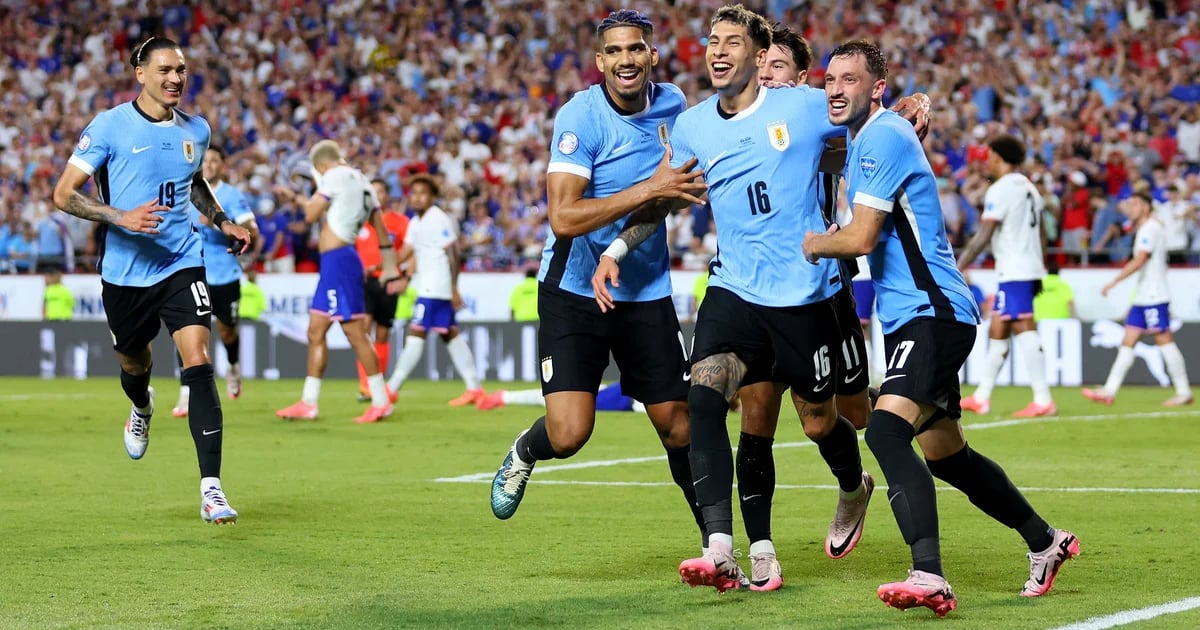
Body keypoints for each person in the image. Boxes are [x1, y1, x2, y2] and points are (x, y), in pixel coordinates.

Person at [593, 7, 876, 593]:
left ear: (755, 52)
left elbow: (869, 122)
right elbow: (667, 196)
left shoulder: (800, 106)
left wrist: (914, 104)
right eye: (712, 41)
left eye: (732, 42)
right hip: (733, 290)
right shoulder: (694, 125)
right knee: (704, 395)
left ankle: (854, 487)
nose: (719, 51)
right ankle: (720, 545)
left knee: (824, 422)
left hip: (802, 297)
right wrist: (617, 247)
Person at [801, 40, 1077, 616]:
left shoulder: (880, 137)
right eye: (829, 78)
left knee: (882, 433)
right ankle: (1045, 542)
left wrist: (811, 243)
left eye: (849, 79)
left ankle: (928, 573)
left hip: (934, 312)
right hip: (916, 317)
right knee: (949, 457)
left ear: (877, 87)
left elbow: (859, 240)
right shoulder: (866, 138)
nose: (834, 88)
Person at [486, 10, 713, 573]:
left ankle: (716, 546)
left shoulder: (675, 106)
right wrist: (650, 186)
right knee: (569, 434)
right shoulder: (580, 117)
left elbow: (669, 194)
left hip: (644, 288)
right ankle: (524, 451)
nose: (626, 60)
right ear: (600, 62)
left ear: (652, 55)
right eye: (614, 52)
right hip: (570, 290)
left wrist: (627, 238)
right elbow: (563, 217)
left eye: (635, 49)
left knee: (677, 423)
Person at [50, 36, 252, 524]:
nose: (175, 78)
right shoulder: (109, 127)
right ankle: (142, 407)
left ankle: (212, 489)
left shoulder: (196, 130)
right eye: (164, 70)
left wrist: (221, 219)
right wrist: (121, 217)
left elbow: (194, 180)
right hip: (125, 273)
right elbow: (63, 194)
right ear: (139, 72)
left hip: (182, 261)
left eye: (181, 70)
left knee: (197, 358)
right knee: (134, 365)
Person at [274, 139, 399, 424]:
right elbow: (380, 229)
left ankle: (380, 401)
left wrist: (300, 199)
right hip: (339, 261)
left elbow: (309, 215)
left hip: (339, 262)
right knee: (316, 330)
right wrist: (390, 266)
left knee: (355, 332)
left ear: (321, 165)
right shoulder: (363, 181)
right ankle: (308, 402)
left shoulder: (334, 176)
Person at [957, 134, 1056, 418]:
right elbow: (1042, 233)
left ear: (998, 157)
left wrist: (958, 265)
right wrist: (1041, 264)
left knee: (1023, 324)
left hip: (1016, 268)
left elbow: (984, 235)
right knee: (999, 329)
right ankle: (983, 396)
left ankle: (1043, 398)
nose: (987, 162)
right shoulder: (1029, 188)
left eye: (989, 156)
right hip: (1026, 266)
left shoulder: (1000, 189)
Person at [1083, 191, 1193, 407]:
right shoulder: (1146, 227)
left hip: (1154, 296)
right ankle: (1109, 390)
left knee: (1164, 341)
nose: (1130, 209)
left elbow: (1140, 259)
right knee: (1128, 342)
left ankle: (1183, 391)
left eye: (1134, 205)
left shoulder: (1150, 228)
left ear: (1144, 207)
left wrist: (1114, 281)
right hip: (1144, 297)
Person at [172, 147, 260, 417]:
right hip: (190, 272)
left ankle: (233, 367)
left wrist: (216, 223)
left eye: (214, 161)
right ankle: (186, 393)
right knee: (187, 333)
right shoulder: (183, 191)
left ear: (222, 165)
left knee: (227, 331)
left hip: (224, 275)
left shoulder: (232, 196)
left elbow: (252, 232)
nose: (208, 165)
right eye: (205, 160)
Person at [384, 175, 486, 406]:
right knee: (450, 334)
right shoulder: (415, 222)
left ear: (432, 197)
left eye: (423, 193)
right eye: (414, 193)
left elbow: (453, 254)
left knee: (415, 335)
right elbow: (406, 253)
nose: (417, 197)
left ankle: (391, 389)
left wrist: (453, 288)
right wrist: (384, 267)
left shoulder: (437, 219)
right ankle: (474, 389)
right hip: (429, 286)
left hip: (435, 287)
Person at [353, 177, 410, 401]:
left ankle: (379, 381)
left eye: (381, 192)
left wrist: (404, 277)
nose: (377, 196)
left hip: (388, 281)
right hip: (364, 282)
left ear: (387, 195)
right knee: (363, 329)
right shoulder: (358, 221)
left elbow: (409, 251)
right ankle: (366, 384)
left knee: (383, 334)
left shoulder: (400, 222)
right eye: (373, 192)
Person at [478, 382, 645, 413]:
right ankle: (505, 397)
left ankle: (505, 396)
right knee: (563, 400)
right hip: (628, 397)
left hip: (632, 394)